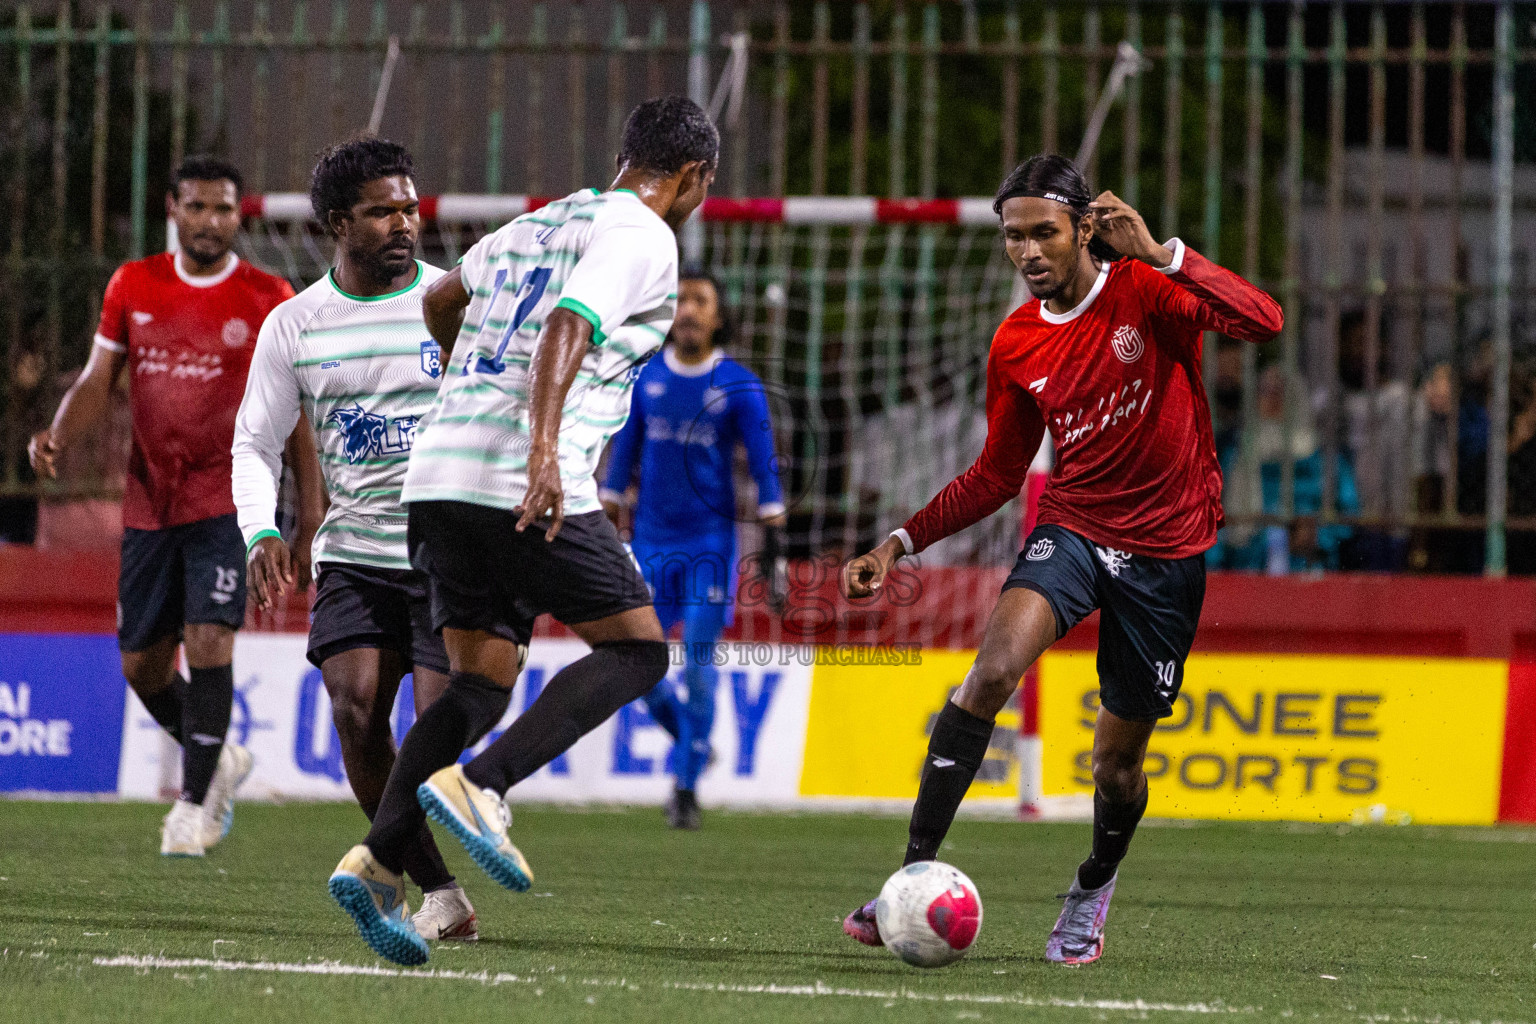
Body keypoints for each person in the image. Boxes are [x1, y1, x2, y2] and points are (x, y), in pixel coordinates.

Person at [838, 155, 1282, 965]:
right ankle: (907, 879)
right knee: (990, 674)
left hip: (1166, 552)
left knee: (1115, 768)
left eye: (1044, 233)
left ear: (1086, 226)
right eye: (1014, 237)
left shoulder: (1146, 291)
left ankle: (1092, 887)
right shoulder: (1014, 343)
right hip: (1073, 530)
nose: (1028, 252)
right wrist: (897, 542)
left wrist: (1163, 252)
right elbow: (997, 475)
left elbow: (1264, 322)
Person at [326, 96, 716, 966]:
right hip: (522, 479)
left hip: (435, 479)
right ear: (692, 178)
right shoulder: (646, 235)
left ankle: (378, 857)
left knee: (477, 681)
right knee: (639, 652)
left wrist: (474, 387)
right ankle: (486, 787)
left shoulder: (535, 223)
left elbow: (442, 302)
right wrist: (541, 446)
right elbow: (571, 324)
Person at [231, 137, 479, 942]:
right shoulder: (294, 324)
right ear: (340, 222)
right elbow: (254, 443)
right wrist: (262, 529)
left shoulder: (455, 302)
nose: (403, 222)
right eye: (382, 210)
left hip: (451, 553)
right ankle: (435, 892)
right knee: (355, 709)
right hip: (356, 553)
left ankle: (392, 861)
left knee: (439, 747)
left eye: (410, 206)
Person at [29, 156, 300, 857]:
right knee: (141, 668)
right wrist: (59, 434)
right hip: (151, 501)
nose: (212, 221)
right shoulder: (134, 283)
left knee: (210, 638)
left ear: (239, 214)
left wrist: (311, 508)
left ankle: (193, 804)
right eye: (198, 207)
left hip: (228, 499)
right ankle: (219, 758)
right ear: (174, 209)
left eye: (224, 209)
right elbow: (98, 377)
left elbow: (295, 413)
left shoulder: (269, 294)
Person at [599, 267, 785, 829]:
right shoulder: (644, 379)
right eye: (680, 299)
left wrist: (773, 556)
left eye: (699, 300)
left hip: (708, 547)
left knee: (699, 668)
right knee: (640, 666)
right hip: (650, 542)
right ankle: (692, 743)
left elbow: (766, 472)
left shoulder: (738, 385)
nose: (687, 309)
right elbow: (619, 465)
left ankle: (684, 789)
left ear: (718, 316)